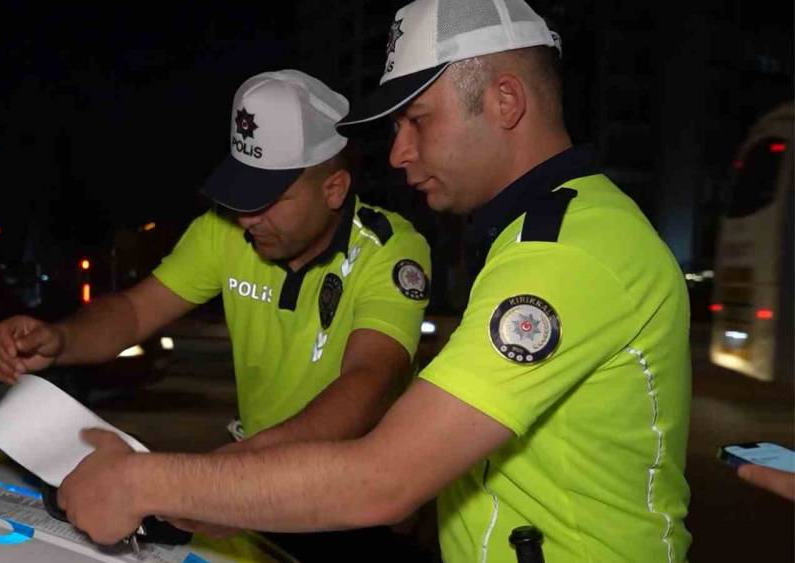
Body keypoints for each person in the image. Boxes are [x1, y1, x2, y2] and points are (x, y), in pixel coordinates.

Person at [55, 1, 693, 562]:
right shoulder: (537, 236)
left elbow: (385, 478)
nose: (397, 154)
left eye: (417, 120)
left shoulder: (567, 253)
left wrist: (143, 483)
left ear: (505, 101)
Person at [0, 71, 432, 556]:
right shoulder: (222, 233)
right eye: (241, 195)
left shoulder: (389, 251)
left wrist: (221, 478)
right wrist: (62, 340)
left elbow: (368, 383)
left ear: (333, 189)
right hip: (253, 484)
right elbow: (135, 311)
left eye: (267, 199)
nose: (247, 218)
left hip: (352, 499)